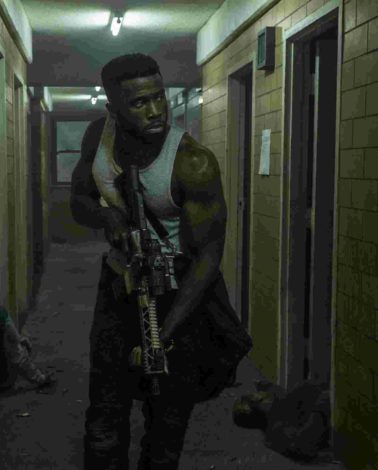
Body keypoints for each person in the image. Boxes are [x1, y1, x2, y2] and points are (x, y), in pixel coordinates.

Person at [70, 53, 251, 470]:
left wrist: (163, 333)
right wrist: (106, 216)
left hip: (176, 293)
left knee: (166, 421)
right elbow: (79, 201)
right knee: (104, 412)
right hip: (118, 286)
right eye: (139, 102)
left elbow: (208, 256)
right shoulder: (98, 136)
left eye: (159, 97)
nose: (155, 110)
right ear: (112, 108)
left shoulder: (192, 162)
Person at [0, 306, 56, 394]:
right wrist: (19, 339)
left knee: (8, 352)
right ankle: (39, 378)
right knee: (17, 355)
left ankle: (6, 381)